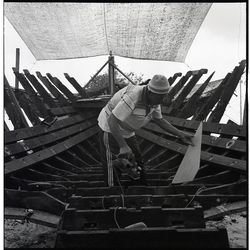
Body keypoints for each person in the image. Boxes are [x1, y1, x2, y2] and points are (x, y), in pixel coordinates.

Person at [98, 74, 194, 186]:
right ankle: (112, 194)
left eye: (164, 96)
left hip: (127, 130)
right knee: (113, 164)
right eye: (160, 97)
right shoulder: (133, 96)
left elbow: (160, 120)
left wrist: (180, 134)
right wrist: (123, 146)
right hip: (110, 128)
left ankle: (139, 188)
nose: (162, 100)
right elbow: (112, 120)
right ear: (149, 92)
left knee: (136, 159)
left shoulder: (154, 101)